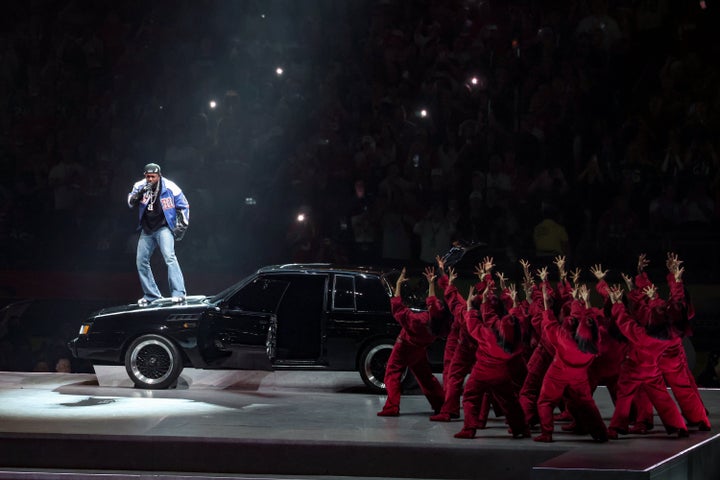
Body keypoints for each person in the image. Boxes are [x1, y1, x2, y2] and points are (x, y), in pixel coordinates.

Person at [377, 267, 446, 417]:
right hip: (419, 350)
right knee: (426, 377)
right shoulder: (437, 325)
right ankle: (442, 406)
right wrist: (432, 283)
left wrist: (399, 285)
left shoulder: (418, 321)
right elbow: (433, 304)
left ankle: (392, 407)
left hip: (404, 347)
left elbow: (398, 309)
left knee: (392, 373)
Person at [128, 163, 189, 306]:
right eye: (148, 176)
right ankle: (151, 295)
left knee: (169, 257)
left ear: (159, 175)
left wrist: (181, 226)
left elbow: (184, 205)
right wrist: (141, 192)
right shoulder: (140, 185)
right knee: (141, 261)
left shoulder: (170, 187)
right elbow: (130, 202)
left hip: (164, 227)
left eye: (153, 177)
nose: (150, 179)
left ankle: (179, 293)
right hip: (147, 229)